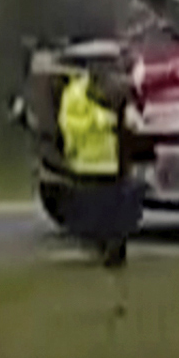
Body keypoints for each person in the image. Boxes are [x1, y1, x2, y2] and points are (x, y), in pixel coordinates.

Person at [57, 59, 138, 268]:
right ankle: (103, 247)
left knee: (114, 210)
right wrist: (105, 120)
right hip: (89, 161)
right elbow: (74, 122)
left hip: (109, 163)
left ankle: (114, 250)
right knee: (99, 210)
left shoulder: (109, 90)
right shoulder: (76, 93)